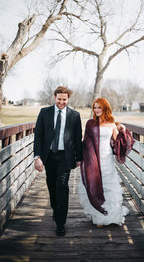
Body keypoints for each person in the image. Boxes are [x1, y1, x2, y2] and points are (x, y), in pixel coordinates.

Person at [34, 86, 82, 236]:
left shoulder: (75, 115)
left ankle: (61, 222)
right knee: (51, 184)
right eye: (59, 99)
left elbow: (77, 138)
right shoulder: (44, 112)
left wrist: (79, 157)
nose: (62, 102)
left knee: (62, 185)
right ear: (54, 97)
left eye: (65, 99)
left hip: (65, 157)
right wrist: (37, 157)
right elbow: (38, 136)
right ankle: (56, 208)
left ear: (68, 99)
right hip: (49, 156)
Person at [79, 98, 134, 227]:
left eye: (99, 107)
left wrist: (123, 131)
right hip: (93, 161)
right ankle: (99, 217)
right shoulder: (90, 124)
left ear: (105, 108)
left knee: (109, 187)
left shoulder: (112, 124)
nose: (97, 110)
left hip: (107, 160)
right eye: (95, 107)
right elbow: (86, 143)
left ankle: (111, 215)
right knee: (95, 185)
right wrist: (84, 159)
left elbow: (116, 144)